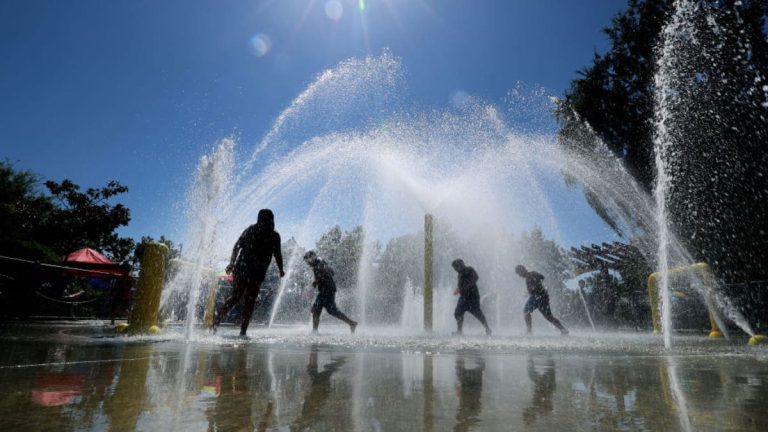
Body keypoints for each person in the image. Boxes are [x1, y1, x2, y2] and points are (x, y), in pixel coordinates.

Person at [213, 209, 285, 336]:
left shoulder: (273, 236)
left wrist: (281, 269)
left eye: (267, 220)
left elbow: (278, 255)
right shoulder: (253, 230)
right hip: (244, 267)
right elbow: (237, 246)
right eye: (264, 220)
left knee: (247, 299)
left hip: (256, 271)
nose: (265, 223)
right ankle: (216, 324)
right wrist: (232, 262)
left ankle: (242, 331)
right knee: (239, 297)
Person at [303, 250, 357, 334]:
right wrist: (317, 282)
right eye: (306, 261)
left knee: (316, 309)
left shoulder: (320, 263)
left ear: (312, 257)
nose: (307, 263)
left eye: (308, 260)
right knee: (332, 310)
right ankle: (351, 323)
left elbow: (329, 273)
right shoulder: (319, 263)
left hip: (327, 290)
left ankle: (314, 332)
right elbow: (331, 272)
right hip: (328, 289)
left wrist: (316, 282)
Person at [515, 265, 569, 335]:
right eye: (518, 274)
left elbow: (541, 277)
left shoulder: (532, 274)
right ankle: (563, 329)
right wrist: (533, 289)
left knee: (545, 316)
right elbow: (542, 277)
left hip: (540, 297)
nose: (520, 276)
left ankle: (563, 329)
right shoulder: (530, 276)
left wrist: (535, 286)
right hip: (537, 297)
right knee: (529, 312)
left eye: (519, 273)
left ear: (523, 270)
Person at [451, 259, 492, 336]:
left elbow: (476, 277)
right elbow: (461, 284)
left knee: (477, 313)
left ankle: (487, 328)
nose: (455, 270)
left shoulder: (469, 269)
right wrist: (458, 289)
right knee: (458, 313)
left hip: (472, 296)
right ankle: (459, 331)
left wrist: (465, 287)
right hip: (463, 297)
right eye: (454, 268)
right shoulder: (459, 274)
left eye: (456, 267)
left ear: (461, 265)